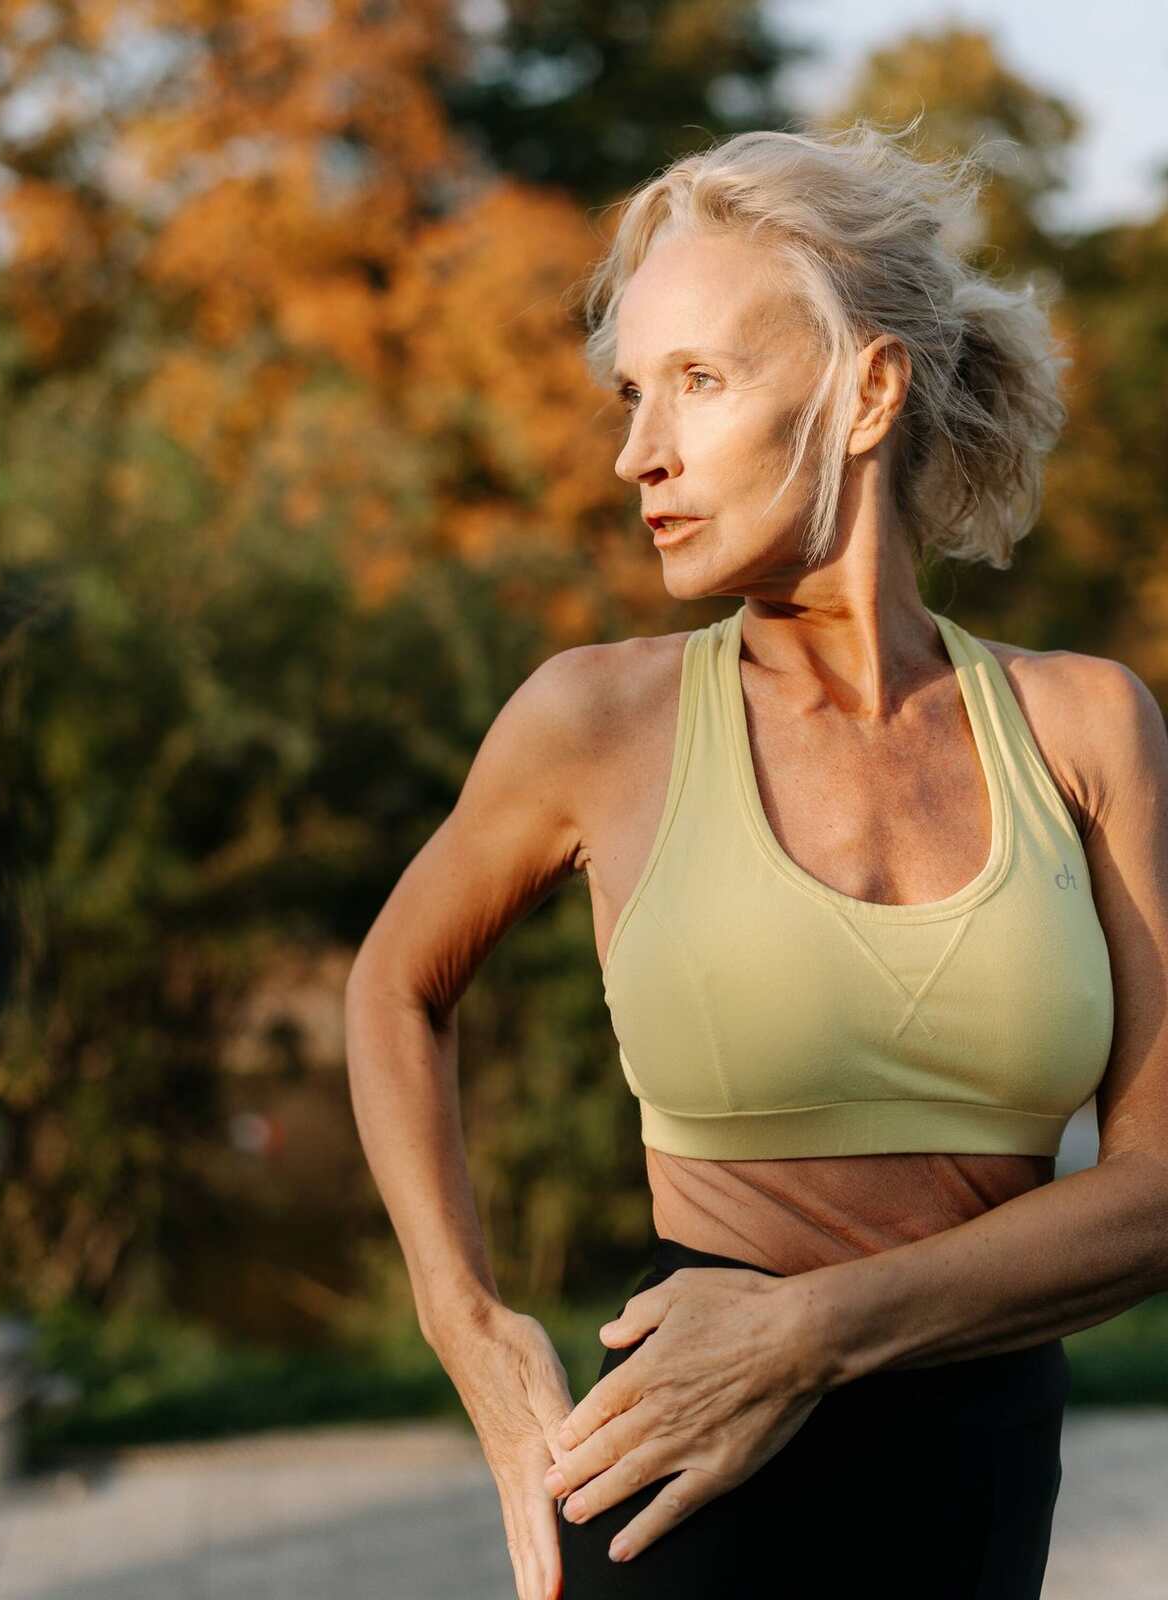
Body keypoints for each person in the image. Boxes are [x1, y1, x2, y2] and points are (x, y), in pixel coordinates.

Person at [345, 120, 1168, 1600]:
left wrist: (815, 1331)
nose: (633, 453)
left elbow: (1165, 1188)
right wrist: (466, 1323)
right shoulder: (595, 720)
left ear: (867, 390)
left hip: (979, 1481)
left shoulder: (1085, 728)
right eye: (630, 394)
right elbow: (393, 988)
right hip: (679, 1485)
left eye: (700, 382)